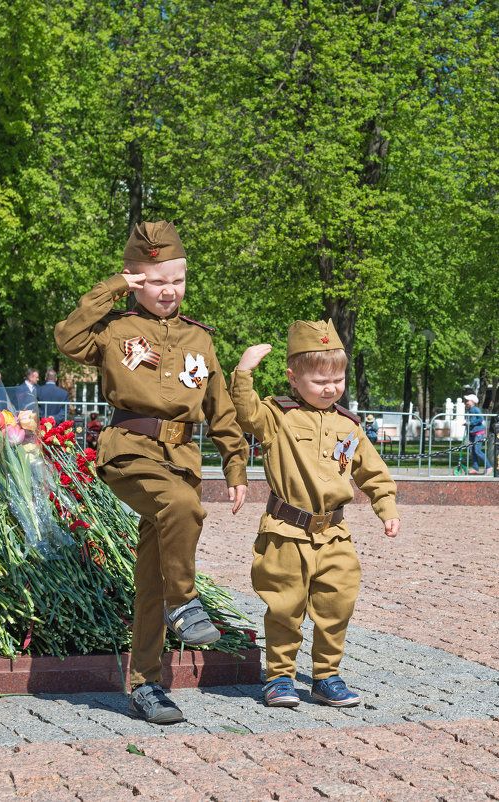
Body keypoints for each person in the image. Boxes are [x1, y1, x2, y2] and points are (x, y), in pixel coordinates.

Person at [55, 220, 248, 724]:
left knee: (151, 577)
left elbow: (220, 408)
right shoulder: (114, 329)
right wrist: (115, 287)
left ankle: (146, 686)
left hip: (179, 460)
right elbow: (68, 337)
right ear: (138, 279)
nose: (169, 290)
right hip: (128, 452)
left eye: (177, 280)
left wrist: (235, 465)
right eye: (156, 280)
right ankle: (186, 602)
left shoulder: (200, 341)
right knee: (183, 507)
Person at [230, 318, 400, 709]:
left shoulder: (349, 425)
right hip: (286, 532)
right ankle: (279, 677)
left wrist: (385, 507)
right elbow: (246, 413)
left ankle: (327, 677)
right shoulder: (277, 416)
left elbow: (372, 471)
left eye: (337, 379)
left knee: (336, 605)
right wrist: (243, 372)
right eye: (320, 380)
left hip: (335, 534)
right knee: (285, 608)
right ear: (293, 378)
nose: (331, 387)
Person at [463, 393, 492, 475]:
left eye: (468, 401)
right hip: (472, 433)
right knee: (472, 451)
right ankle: (475, 468)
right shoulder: (469, 410)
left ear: (473, 402)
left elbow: (481, 419)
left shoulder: (476, 409)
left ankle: (489, 467)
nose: (466, 402)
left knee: (477, 450)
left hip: (478, 433)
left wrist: (470, 423)